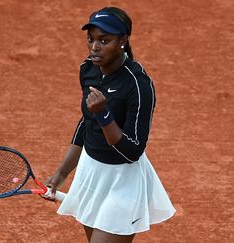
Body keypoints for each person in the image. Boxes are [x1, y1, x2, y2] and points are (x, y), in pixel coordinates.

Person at [44, 6, 175, 243]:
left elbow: (133, 151)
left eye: (105, 40)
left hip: (123, 182)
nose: (95, 47)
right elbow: (86, 122)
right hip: (90, 174)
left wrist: (104, 114)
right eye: (91, 39)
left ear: (123, 41)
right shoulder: (88, 70)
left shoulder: (138, 85)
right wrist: (62, 173)